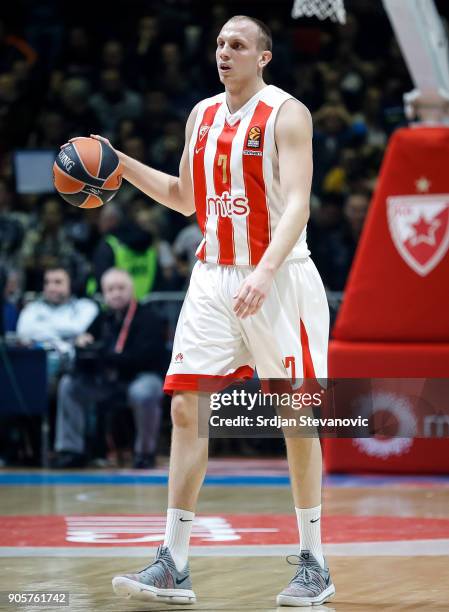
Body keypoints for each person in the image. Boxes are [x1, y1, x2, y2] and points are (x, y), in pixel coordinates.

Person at [69, 15, 334, 607]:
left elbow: (298, 204)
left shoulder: (288, 114)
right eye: (219, 43)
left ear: (262, 57)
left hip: (281, 277)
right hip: (213, 278)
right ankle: (173, 561)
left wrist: (265, 272)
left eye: (237, 45)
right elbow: (184, 198)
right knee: (187, 410)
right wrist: (118, 161)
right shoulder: (202, 114)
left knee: (296, 417)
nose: (224, 52)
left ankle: (315, 562)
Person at [52, 268, 166, 469]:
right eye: (110, 289)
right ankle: (71, 450)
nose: (116, 293)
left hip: (139, 377)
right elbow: (88, 350)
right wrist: (82, 345)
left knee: (144, 391)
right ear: (104, 293)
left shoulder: (149, 318)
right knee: (69, 385)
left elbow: (146, 358)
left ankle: (144, 453)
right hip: (108, 381)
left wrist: (106, 356)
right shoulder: (102, 318)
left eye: (121, 288)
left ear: (131, 290)